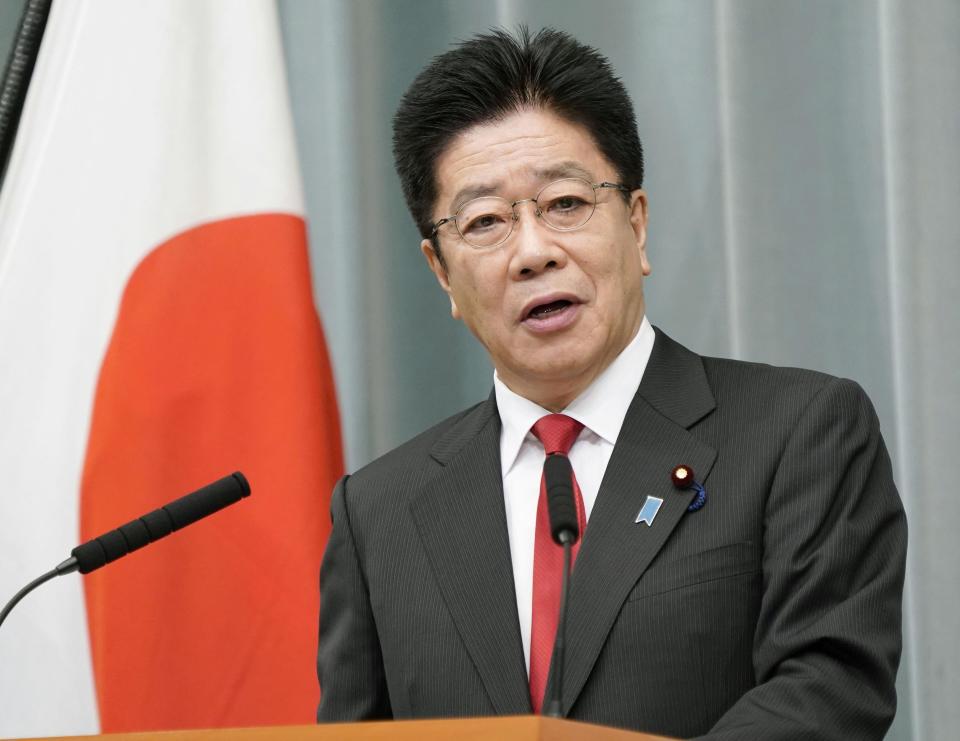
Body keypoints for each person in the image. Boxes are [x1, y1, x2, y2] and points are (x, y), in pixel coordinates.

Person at [316, 27, 906, 740]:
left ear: (636, 222)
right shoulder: (380, 514)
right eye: (484, 222)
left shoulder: (798, 431)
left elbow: (829, 689)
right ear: (442, 272)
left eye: (565, 203)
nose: (533, 252)